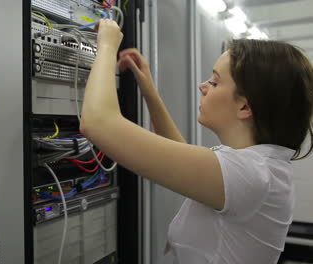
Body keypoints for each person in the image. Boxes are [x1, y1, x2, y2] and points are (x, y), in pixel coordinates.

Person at [80, 19, 313, 263]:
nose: (203, 86)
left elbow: (98, 123)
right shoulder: (256, 167)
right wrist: (148, 89)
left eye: (214, 81)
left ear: (245, 106)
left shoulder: (252, 174)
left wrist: (106, 44)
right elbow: (180, 153)